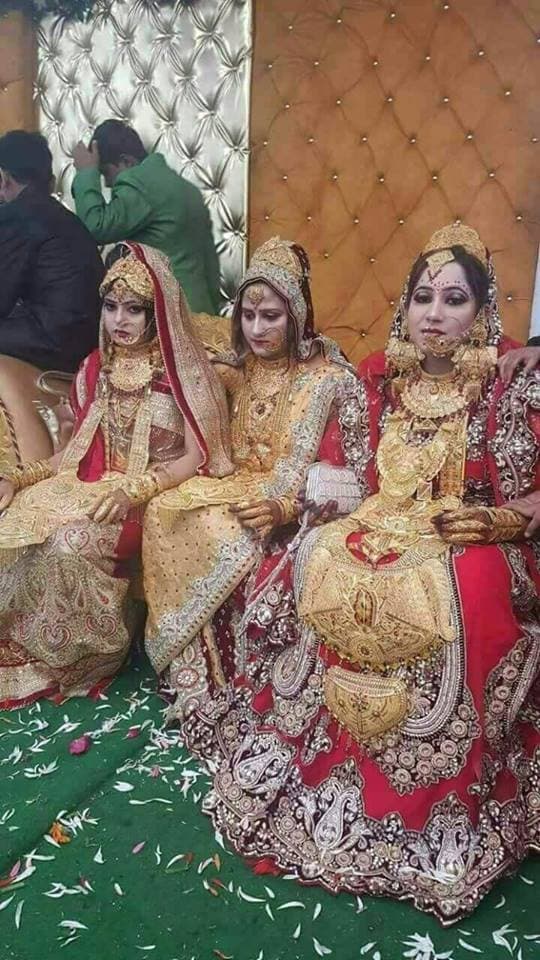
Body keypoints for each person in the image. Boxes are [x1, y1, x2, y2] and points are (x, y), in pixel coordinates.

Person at [181, 224, 540, 924]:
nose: (434, 314)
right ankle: (322, 766)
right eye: (423, 298)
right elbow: (344, 471)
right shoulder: (376, 380)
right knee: (318, 555)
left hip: (471, 536)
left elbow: (530, 493)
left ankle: (433, 804)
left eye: (455, 300)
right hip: (379, 524)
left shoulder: (509, 387)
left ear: (482, 313)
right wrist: (314, 502)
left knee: (465, 588)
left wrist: (506, 519)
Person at [0, 243, 232, 709]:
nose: (119, 320)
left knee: (68, 542)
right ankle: (23, 644)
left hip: (155, 496)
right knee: (16, 524)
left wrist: (135, 491)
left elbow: (199, 456)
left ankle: (85, 655)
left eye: (133, 309)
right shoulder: (95, 369)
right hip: (92, 486)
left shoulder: (185, 374)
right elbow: (72, 455)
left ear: (158, 311)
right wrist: (19, 480)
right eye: (110, 307)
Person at [143, 236, 355, 717]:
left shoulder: (328, 381)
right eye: (248, 315)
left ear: (296, 315)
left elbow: (344, 473)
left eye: (271, 316)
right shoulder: (238, 369)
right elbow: (179, 354)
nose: (257, 329)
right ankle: (190, 667)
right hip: (232, 482)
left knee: (215, 524)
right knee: (163, 509)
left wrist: (287, 506)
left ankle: (222, 674)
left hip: (290, 501)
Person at [72, 120, 222, 314]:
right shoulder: (186, 188)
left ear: (127, 161)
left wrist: (86, 173)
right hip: (199, 308)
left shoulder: (139, 183)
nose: (108, 184)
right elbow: (210, 265)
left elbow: (96, 227)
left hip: (169, 313)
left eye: (106, 173)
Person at [0, 130, 103, 373]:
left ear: (3, 178)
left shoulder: (17, 216)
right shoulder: (61, 215)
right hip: (88, 337)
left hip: (56, 340)